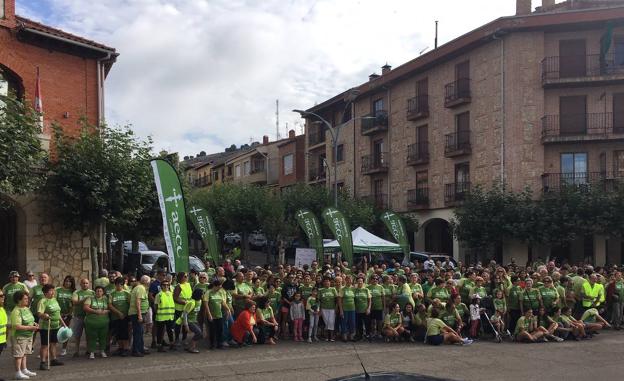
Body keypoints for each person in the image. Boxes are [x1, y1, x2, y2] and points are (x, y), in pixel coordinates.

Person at [10, 291, 38, 380]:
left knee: (24, 354)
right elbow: (17, 326)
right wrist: (31, 327)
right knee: (19, 355)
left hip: (28, 335)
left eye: (27, 298)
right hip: (19, 336)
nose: (27, 300)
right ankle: (18, 373)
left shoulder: (26, 308)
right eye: (25, 299)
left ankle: (24, 370)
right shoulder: (16, 311)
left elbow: (30, 319)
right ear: (19, 300)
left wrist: (34, 324)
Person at [36, 284, 65, 370]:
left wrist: (63, 323)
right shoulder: (42, 301)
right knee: (45, 345)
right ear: (45, 292)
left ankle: (54, 360)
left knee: (53, 343)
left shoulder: (54, 300)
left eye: (53, 290)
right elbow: (39, 314)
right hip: (46, 327)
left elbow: (58, 313)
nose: (53, 292)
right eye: (50, 291)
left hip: (55, 326)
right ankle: (43, 362)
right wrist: (45, 315)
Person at [83, 286, 110, 359]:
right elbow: (85, 307)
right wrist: (95, 311)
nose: (99, 292)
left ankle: (102, 351)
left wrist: (107, 311)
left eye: (100, 291)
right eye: (97, 291)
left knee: (103, 337)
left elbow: (110, 307)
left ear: (103, 292)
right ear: (95, 291)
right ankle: (92, 352)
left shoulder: (105, 299)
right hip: (91, 322)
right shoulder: (90, 298)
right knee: (92, 337)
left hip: (104, 322)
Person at [71, 278, 94, 357]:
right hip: (78, 316)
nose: (85, 284)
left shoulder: (92, 292)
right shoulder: (76, 292)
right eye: (83, 283)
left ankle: (88, 350)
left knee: (89, 334)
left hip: (89, 316)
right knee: (78, 335)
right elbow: (74, 302)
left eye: (86, 283)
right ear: (80, 284)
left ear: (89, 284)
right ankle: (76, 351)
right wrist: (84, 299)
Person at [204, 279, 230, 350]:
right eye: (219, 287)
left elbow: (223, 303)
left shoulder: (220, 293)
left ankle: (219, 344)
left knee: (220, 330)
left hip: (219, 314)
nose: (220, 288)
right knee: (212, 330)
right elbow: (206, 304)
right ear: (215, 286)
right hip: (212, 314)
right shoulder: (208, 292)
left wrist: (228, 309)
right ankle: (212, 345)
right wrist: (209, 314)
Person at [108, 277, 130, 356]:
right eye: (117, 284)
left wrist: (125, 314)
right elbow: (110, 305)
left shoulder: (127, 293)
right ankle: (120, 348)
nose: (119, 286)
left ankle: (126, 348)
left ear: (123, 285)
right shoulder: (112, 294)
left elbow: (130, 303)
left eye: (120, 284)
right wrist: (118, 313)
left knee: (125, 333)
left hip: (125, 317)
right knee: (118, 333)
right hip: (116, 317)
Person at [128, 276, 150, 357]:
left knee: (140, 332)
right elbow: (138, 301)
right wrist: (139, 315)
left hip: (138, 313)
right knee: (138, 332)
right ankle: (136, 350)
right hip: (136, 313)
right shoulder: (141, 288)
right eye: (148, 282)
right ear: (146, 282)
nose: (149, 283)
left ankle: (140, 349)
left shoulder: (139, 287)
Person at [154, 278, 175, 352]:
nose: (166, 286)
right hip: (161, 317)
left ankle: (172, 344)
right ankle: (159, 346)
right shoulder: (159, 295)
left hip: (170, 316)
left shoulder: (171, 293)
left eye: (167, 285)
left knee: (170, 331)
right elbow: (155, 306)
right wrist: (157, 313)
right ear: (161, 286)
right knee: (160, 332)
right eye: (164, 285)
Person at [55, 276, 75, 356]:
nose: (68, 283)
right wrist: (58, 313)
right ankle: (53, 349)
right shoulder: (58, 290)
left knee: (65, 332)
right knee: (55, 332)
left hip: (67, 315)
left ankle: (64, 349)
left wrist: (69, 313)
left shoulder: (73, 292)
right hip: (57, 314)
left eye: (70, 282)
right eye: (66, 281)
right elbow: (54, 301)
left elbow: (73, 305)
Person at [173, 272, 192, 345]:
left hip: (187, 308)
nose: (186, 277)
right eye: (185, 276)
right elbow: (175, 298)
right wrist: (183, 302)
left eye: (187, 276)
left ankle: (184, 338)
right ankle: (177, 339)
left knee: (185, 324)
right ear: (180, 277)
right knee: (178, 324)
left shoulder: (188, 284)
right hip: (179, 309)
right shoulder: (178, 286)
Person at [183, 289, 204, 354]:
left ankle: (190, 346)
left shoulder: (200, 301)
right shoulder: (192, 303)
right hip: (189, 321)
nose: (203, 295)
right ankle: (192, 348)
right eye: (202, 294)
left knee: (199, 333)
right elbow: (185, 314)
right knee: (199, 333)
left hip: (194, 320)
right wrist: (186, 325)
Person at [318, 277, 338, 342]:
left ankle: (331, 337)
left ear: (330, 282)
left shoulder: (333, 289)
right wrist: (320, 309)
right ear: (323, 283)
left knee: (331, 322)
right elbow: (318, 301)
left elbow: (337, 300)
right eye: (325, 281)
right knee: (326, 322)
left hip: (332, 309)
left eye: (328, 281)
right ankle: (327, 337)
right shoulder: (320, 290)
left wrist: (336, 308)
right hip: (324, 308)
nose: (327, 282)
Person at [338, 276, 356, 342]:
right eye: (347, 280)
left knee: (352, 322)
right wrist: (341, 310)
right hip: (345, 309)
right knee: (344, 322)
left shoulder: (353, 288)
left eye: (350, 280)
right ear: (345, 280)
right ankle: (344, 335)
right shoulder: (342, 289)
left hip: (352, 308)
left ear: (352, 281)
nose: (349, 281)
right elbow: (339, 300)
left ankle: (351, 336)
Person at [354, 277, 372, 341]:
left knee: (367, 323)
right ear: (356, 282)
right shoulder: (355, 290)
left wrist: (369, 308)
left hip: (365, 310)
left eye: (361, 281)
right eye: (358, 281)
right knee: (359, 324)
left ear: (363, 282)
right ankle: (360, 335)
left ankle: (367, 335)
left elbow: (369, 300)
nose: (360, 282)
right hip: (357, 310)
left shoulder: (366, 290)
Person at [0, 289, 7, 380]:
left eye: (3, 295)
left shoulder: (2, 309)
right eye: (1, 296)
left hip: (2, 340)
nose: (3, 297)